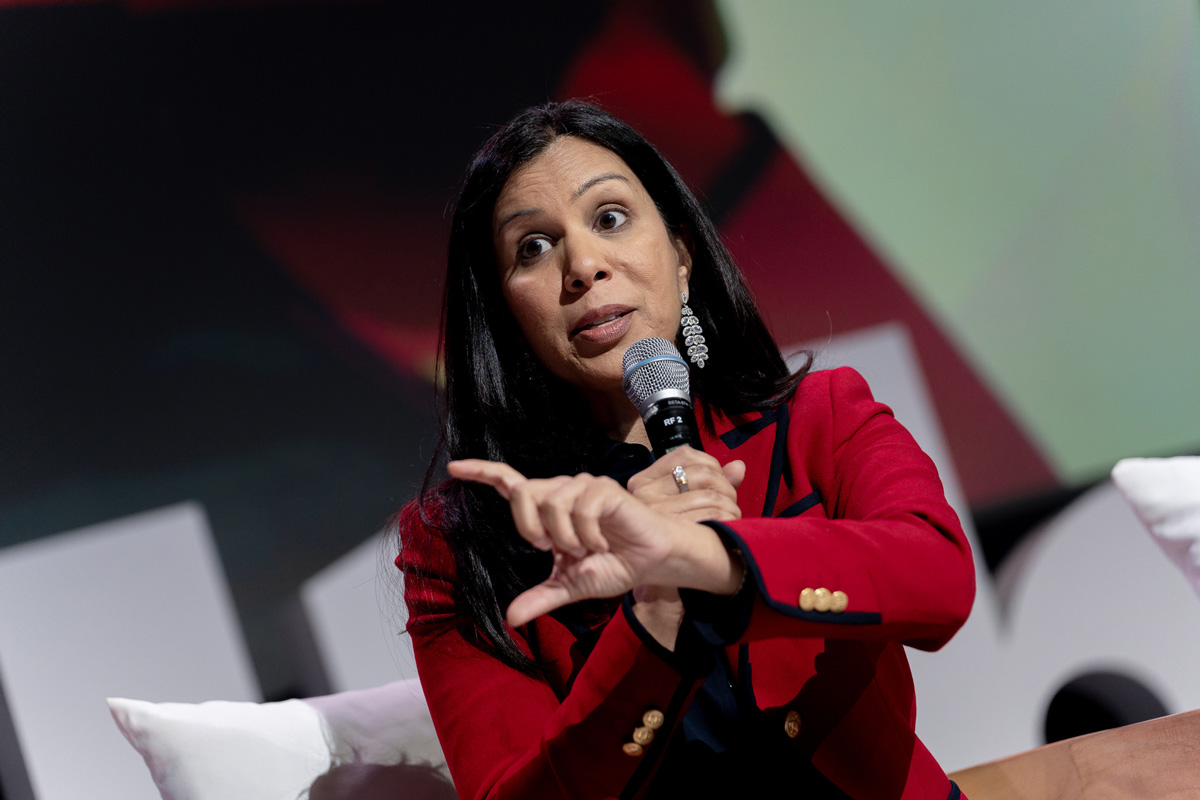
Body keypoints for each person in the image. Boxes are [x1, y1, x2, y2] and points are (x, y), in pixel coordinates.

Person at [396, 100, 975, 800]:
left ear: (680, 255)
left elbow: (939, 576)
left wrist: (716, 559)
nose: (582, 265)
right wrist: (656, 610)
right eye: (534, 248)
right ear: (506, 313)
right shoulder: (458, 547)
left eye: (609, 219)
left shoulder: (818, 417)